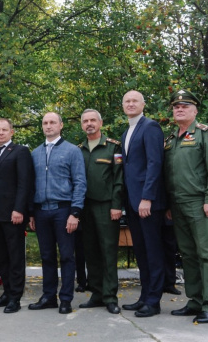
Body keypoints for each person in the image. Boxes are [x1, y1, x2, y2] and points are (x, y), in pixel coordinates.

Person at [164, 89, 208, 324]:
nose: (179, 109)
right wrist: (170, 203)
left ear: (195, 110)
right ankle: (195, 301)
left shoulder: (205, 135)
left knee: (207, 255)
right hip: (178, 204)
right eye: (176, 107)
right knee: (188, 255)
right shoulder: (170, 139)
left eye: (185, 106)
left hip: (200, 203)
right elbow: (170, 174)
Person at [28, 112, 86, 315]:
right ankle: (48, 296)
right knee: (46, 256)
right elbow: (30, 185)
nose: (48, 126)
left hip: (64, 211)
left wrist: (75, 212)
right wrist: (31, 213)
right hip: (41, 211)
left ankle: (66, 299)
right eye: (45, 123)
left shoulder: (72, 151)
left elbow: (80, 183)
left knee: (68, 256)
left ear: (61, 125)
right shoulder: (34, 153)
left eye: (53, 122)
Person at [0, 118, 34, 313]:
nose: (1, 132)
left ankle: (15, 298)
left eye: (5, 129)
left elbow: (24, 183)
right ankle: (6, 293)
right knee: (2, 257)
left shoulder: (20, 152)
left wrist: (20, 209)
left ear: (12, 132)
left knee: (15, 257)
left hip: (13, 215)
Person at [120, 90, 166, 318]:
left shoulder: (150, 127)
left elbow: (155, 164)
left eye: (134, 100)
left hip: (147, 202)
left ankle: (154, 301)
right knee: (140, 251)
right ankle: (144, 296)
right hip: (132, 202)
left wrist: (147, 197)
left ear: (143, 104)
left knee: (153, 251)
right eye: (127, 101)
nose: (130, 104)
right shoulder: (126, 131)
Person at [76, 109, 123, 314]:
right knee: (91, 252)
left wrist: (116, 205)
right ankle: (96, 293)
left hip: (106, 206)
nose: (89, 124)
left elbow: (119, 179)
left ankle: (110, 296)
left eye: (93, 120)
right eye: (85, 121)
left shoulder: (113, 147)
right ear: (81, 125)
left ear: (100, 123)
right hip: (85, 207)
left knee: (108, 251)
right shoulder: (79, 150)